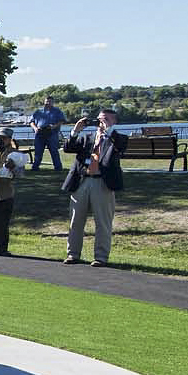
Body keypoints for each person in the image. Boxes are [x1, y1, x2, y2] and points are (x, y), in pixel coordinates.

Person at [61, 109, 128, 267]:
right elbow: (68, 148)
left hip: (102, 183)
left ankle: (101, 257)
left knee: (103, 222)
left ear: (114, 122)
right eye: (98, 120)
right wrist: (75, 131)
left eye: (104, 120)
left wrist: (108, 130)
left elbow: (120, 146)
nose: (100, 123)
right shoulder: (87, 138)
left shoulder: (118, 138)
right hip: (82, 181)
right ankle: (73, 254)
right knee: (75, 221)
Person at [27, 98, 66, 171]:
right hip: (39, 134)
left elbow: (61, 121)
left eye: (50, 101)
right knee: (38, 151)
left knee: (54, 151)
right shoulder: (38, 112)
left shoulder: (57, 111)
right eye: (47, 101)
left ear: (53, 102)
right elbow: (31, 122)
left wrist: (53, 126)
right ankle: (35, 167)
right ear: (44, 102)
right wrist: (35, 128)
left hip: (51, 133)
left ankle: (58, 168)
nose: (48, 103)